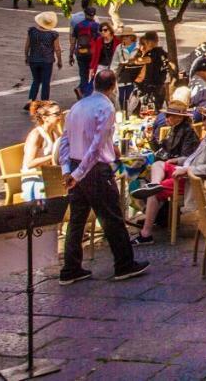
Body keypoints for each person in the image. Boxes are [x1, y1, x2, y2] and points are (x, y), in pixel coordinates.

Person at [58, 69, 150, 284]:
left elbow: (65, 140)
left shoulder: (77, 106)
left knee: (77, 219)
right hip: (94, 169)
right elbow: (97, 146)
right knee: (112, 217)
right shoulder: (105, 107)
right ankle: (124, 264)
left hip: (75, 164)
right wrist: (79, 173)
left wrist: (67, 170)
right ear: (113, 86)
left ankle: (70, 268)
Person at [131, 103, 206, 244]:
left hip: (194, 180)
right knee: (158, 164)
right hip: (186, 170)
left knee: (153, 193)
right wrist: (177, 161)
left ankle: (146, 234)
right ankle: (154, 185)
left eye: (205, 119)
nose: (202, 122)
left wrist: (186, 169)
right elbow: (191, 157)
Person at [21, 101, 63, 200]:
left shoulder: (55, 132)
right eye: (56, 114)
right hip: (35, 179)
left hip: (49, 176)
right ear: (45, 118)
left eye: (60, 112)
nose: (60, 116)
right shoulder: (36, 135)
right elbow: (29, 163)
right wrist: (53, 156)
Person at [24, 11, 62, 110]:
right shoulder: (53, 34)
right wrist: (59, 61)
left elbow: (27, 45)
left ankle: (31, 100)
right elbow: (57, 49)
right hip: (47, 61)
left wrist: (26, 56)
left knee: (36, 80)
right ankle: (44, 102)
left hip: (34, 59)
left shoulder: (32, 31)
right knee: (45, 82)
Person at [69, 5, 101, 97]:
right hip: (92, 53)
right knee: (92, 74)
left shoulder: (78, 26)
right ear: (94, 15)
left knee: (83, 74)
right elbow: (100, 41)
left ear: (85, 14)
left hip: (80, 53)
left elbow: (73, 42)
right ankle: (86, 93)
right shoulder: (96, 26)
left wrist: (71, 55)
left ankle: (81, 89)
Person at [134, 31, 169, 111]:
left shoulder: (154, 52)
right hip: (160, 85)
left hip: (152, 88)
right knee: (157, 110)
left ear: (148, 41)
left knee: (150, 111)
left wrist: (131, 60)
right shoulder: (162, 52)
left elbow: (141, 61)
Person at [88, 22, 119, 88]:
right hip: (101, 66)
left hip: (113, 66)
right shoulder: (99, 41)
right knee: (97, 84)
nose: (103, 32)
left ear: (110, 30)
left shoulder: (117, 40)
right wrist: (92, 68)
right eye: (101, 30)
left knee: (114, 85)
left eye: (105, 30)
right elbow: (95, 56)